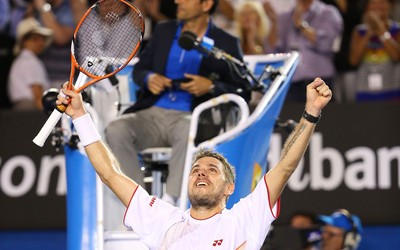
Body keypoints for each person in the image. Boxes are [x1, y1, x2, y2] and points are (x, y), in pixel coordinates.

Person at [56, 77, 332, 248]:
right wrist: (80, 116)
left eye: (213, 171)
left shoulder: (244, 218)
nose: (202, 173)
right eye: (196, 170)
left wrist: (311, 114)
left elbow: (285, 166)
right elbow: (110, 174)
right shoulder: (163, 220)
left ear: (229, 189)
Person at [105, 0, 251, 211]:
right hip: (152, 113)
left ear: (206, 4)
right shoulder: (164, 31)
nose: (177, 1)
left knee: (186, 126)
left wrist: (210, 86)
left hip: (194, 117)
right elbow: (140, 69)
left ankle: (170, 202)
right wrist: (149, 78)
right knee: (116, 129)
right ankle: (139, 203)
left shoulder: (225, 42)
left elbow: (242, 89)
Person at [276, 0, 343, 102]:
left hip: (320, 81)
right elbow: (275, 50)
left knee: (325, 117)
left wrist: (300, 24)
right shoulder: (285, 17)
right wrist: (273, 22)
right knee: (292, 117)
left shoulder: (328, 13)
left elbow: (326, 44)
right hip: (291, 83)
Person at [349, 0, 400, 101]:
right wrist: (370, 31)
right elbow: (353, 60)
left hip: (392, 90)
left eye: (382, 2)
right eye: (373, 2)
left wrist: (381, 30)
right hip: (365, 91)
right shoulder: (359, 31)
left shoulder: (397, 29)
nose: (377, 6)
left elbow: (396, 56)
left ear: (390, 6)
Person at [7, 17, 53, 110]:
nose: (40, 43)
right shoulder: (30, 61)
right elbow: (38, 97)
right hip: (29, 109)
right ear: (24, 41)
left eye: (42, 39)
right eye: (35, 39)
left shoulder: (22, 60)